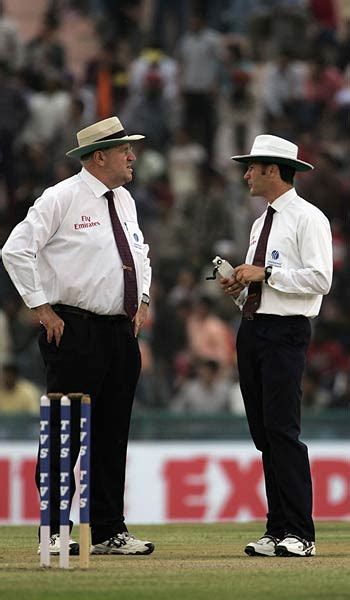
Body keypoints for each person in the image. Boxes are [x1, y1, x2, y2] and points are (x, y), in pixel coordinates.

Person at [2, 116, 154, 556]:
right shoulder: (61, 197)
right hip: (74, 327)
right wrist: (40, 306)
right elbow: (15, 250)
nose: (133, 156)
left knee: (112, 433)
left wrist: (142, 299)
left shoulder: (124, 200)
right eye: (125, 149)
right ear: (98, 156)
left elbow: (140, 252)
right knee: (63, 432)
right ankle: (53, 530)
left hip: (119, 331)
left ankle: (108, 530)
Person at [220, 134, 332, 557]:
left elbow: (322, 279)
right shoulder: (259, 221)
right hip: (253, 328)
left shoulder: (309, 218)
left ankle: (301, 533)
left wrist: (264, 273)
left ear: (272, 170)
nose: (246, 173)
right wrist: (238, 284)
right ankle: (277, 527)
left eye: (251, 167)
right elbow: (262, 282)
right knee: (265, 433)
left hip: (286, 332)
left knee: (283, 430)